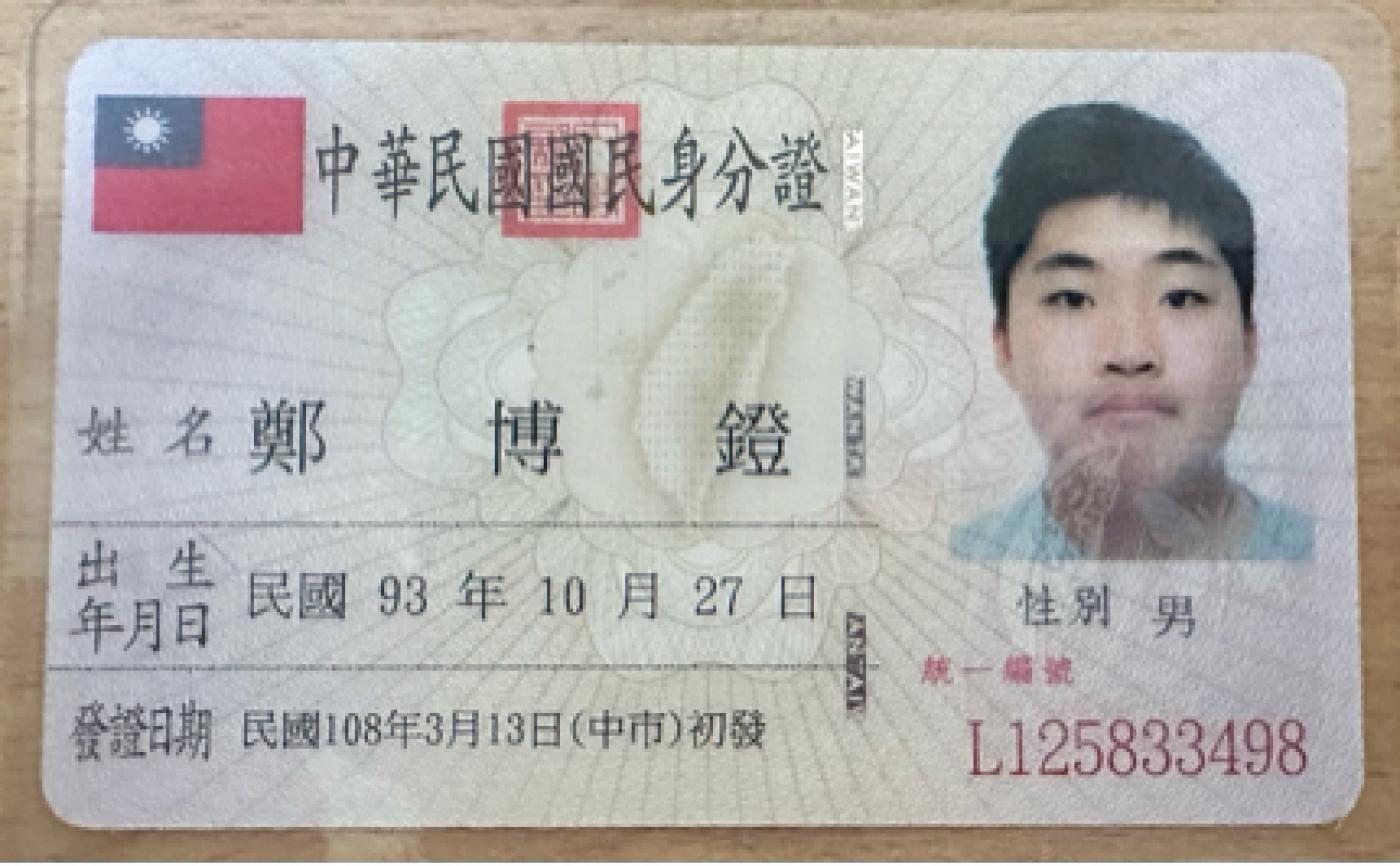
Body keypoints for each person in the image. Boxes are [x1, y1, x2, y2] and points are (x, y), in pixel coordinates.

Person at [951, 102, 1313, 561]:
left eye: (1180, 297)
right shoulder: (958, 566)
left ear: (1248, 342)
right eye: (1072, 299)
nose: (1130, 353)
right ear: (1004, 345)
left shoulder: (1326, 557)